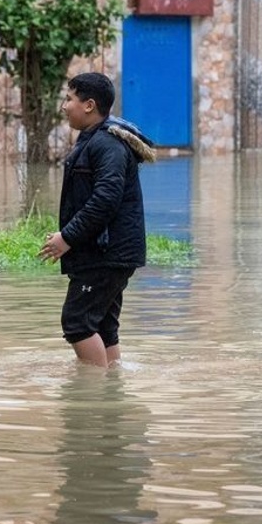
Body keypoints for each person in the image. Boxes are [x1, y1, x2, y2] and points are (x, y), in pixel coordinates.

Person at [38, 72, 155, 368]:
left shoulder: (106, 145)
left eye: (69, 99)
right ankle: (111, 395)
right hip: (107, 252)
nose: (64, 106)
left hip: (106, 254)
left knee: (77, 323)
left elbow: (105, 200)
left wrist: (67, 237)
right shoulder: (96, 141)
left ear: (89, 105)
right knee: (103, 326)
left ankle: (92, 402)